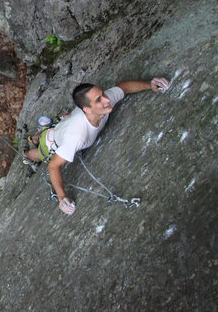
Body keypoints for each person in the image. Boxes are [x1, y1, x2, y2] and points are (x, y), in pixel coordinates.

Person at [25, 78, 171, 216]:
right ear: (87, 109)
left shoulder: (103, 104)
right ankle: (27, 154)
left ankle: (41, 132)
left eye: (102, 95)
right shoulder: (76, 137)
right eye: (99, 100)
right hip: (53, 143)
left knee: (53, 129)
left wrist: (149, 85)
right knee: (37, 154)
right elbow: (53, 165)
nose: (107, 100)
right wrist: (62, 197)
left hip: (63, 125)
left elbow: (123, 87)